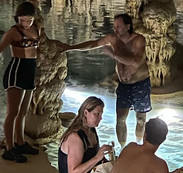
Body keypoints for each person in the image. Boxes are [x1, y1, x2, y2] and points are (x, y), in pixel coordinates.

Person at [63, 13, 150, 145]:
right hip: (124, 85)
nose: (116, 30)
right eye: (115, 27)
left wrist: (113, 54)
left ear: (128, 26)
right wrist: (70, 48)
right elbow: (93, 44)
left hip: (140, 84)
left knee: (141, 119)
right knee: (120, 119)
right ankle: (122, 148)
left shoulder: (138, 40)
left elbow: (135, 62)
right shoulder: (112, 39)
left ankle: (139, 145)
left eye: (119, 27)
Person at [0, 0, 43, 163]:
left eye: (29, 20)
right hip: (16, 72)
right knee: (12, 112)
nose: (26, 24)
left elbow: (35, 3)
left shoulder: (37, 27)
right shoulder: (13, 32)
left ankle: (20, 142)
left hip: (30, 71)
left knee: (23, 111)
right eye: (22, 20)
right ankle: (9, 148)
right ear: (16, 18)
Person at [58, 96, 113, 173]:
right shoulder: (75, 138)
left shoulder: (91, 130)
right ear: (86, 113)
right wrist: (97, 158)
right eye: (97, 114)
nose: (100, 118)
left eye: (101, 114)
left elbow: (94, 157)